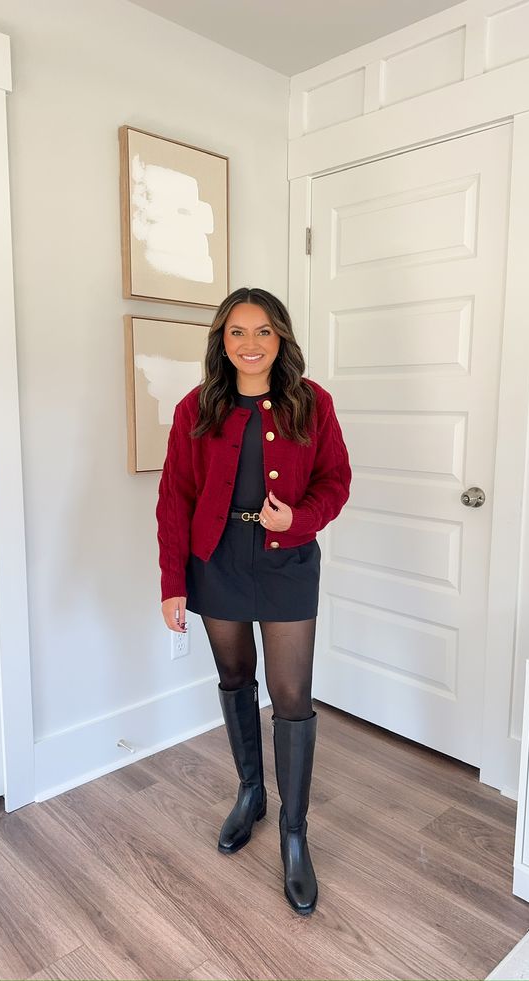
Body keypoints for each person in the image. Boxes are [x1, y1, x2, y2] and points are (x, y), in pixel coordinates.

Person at [156, 286, 351, 915]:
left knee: (293, 696)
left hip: (288, 560)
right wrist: (172, 582)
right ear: (220, 340)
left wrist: (295, 519)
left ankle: (294, 835)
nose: (249, 343)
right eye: (236, 332)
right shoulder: (196, 408)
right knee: (235, 675)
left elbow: (336, 481)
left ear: (281, 338)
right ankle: (251, 794)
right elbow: (175, 500)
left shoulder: (312, 403)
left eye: (262, 331)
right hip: (216, 562)